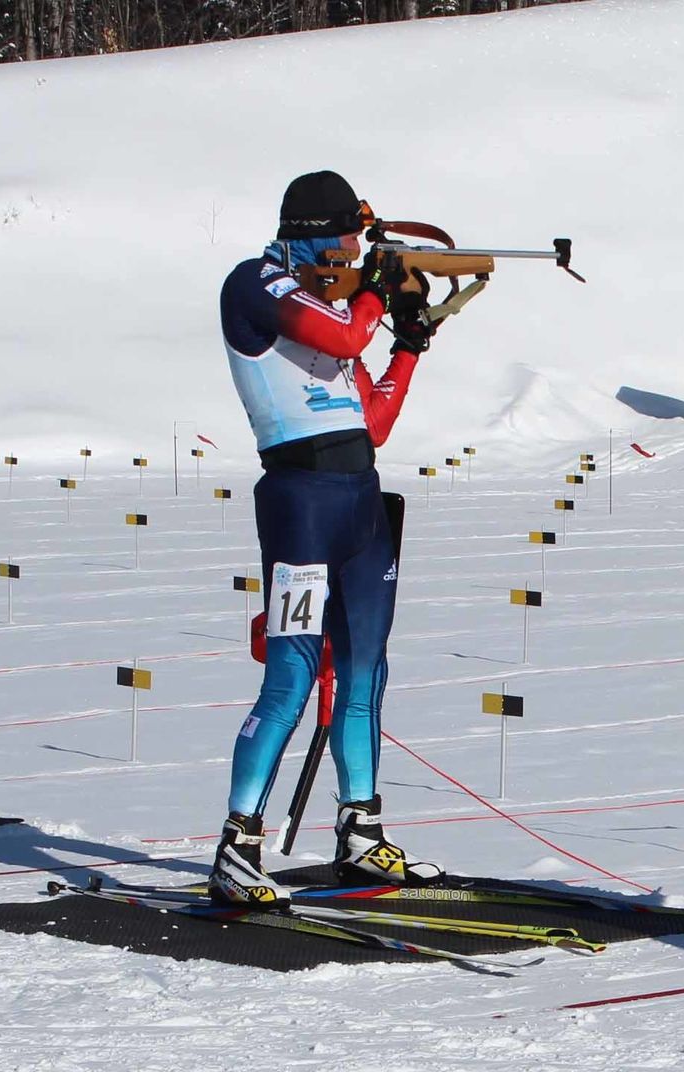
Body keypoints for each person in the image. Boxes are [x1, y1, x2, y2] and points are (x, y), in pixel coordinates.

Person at [211, 169, 445, 906]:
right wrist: (377, 292)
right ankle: (237, 845)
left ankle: (361, 833)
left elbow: (370, 421)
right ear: (313, 237)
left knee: (367, 672)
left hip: (359, 502)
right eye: (345, 238)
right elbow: (345, 330)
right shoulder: (255, 284)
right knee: (291, 675)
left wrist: (407, 346)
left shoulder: (329, 307)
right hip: (301, 503)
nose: (352, 249)